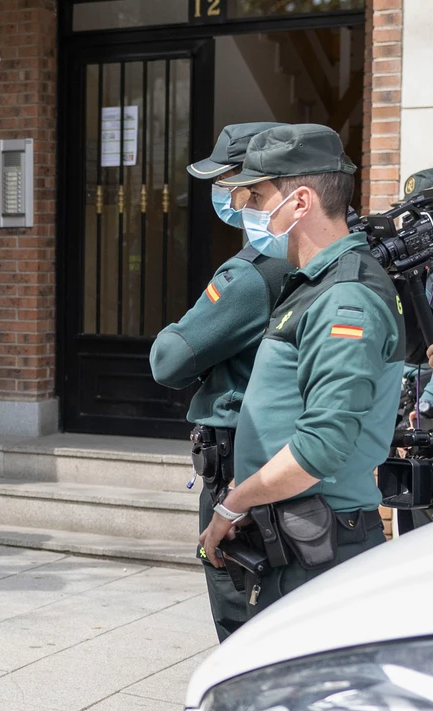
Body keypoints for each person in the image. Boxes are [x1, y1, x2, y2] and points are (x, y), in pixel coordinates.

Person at [199, 124, 403, 610]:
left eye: (257, 195)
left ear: (301, 202)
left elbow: (321, 445)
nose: (247, 207)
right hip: (293, 531)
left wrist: (233, 503)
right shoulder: (317, 280)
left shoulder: (344, 296)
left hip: (319, 543)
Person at [148, 121, 288, 640]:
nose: (226, 198)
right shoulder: (335, 260)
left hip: (238, 455)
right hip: (284, 455)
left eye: (232, 186)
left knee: (237, 593)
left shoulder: (252, 272)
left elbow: (169, 359)